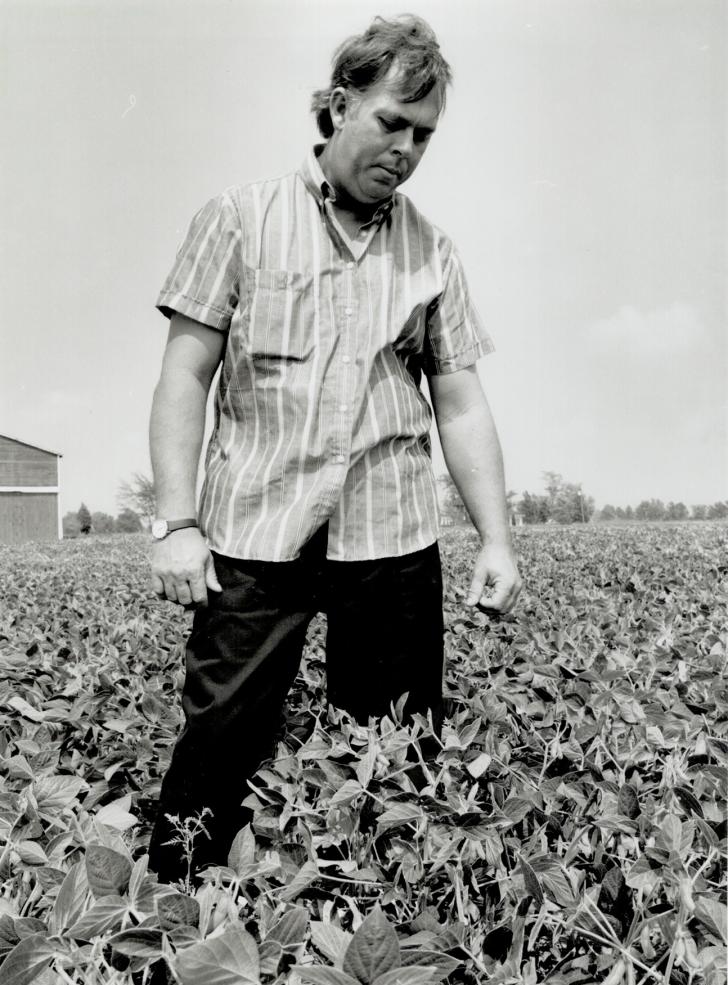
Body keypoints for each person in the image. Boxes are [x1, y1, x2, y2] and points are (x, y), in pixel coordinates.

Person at [146, 14, 521, 886]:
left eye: (423, 136)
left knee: (397, 761)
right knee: (217, 752)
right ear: (339, 103)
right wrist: (175, 523)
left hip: (389, 544)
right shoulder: (241, 218)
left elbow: (460, 404)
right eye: (392, 121)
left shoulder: (432, 251)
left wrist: (497, 540)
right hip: (254, 535)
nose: (406, 149)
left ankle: (379, 949)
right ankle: (169, 950)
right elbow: (183, 377)